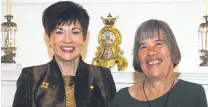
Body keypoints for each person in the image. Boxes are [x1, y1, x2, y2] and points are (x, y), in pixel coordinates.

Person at [12, 1, 116, 107]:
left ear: (85, 38)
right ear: (49, 39)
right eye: (59, 32)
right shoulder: (31, 77)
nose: (67, 40)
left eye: (75, 32)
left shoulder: (102, 76)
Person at [110, 19, 207, 107]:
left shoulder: (193, 94)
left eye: (159, 44)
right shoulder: (122, 99)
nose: (151, 52)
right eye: (143, 46)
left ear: (172, 50)